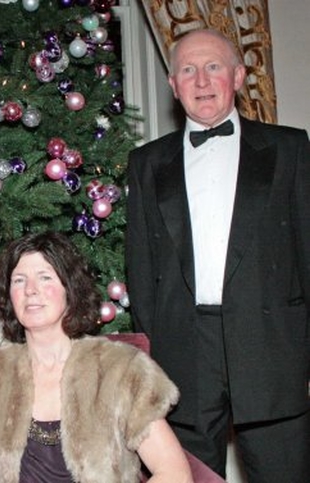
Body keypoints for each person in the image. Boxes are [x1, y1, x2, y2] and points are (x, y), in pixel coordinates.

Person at [125, 28, 310, 482]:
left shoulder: (290, 149)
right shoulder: (146, 162)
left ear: (239, 76)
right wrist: (160, 346)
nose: (202, 80)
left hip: (272, 345)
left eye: (213, 67)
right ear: (173, 85)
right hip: (185, 349)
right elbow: (141, 269)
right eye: (188, 69)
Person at [0, 231, 193, 483]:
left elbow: (174, 474)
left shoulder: (119, 369)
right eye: (19, 281)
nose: (30, 290)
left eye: (45, 277)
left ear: (69, 289)